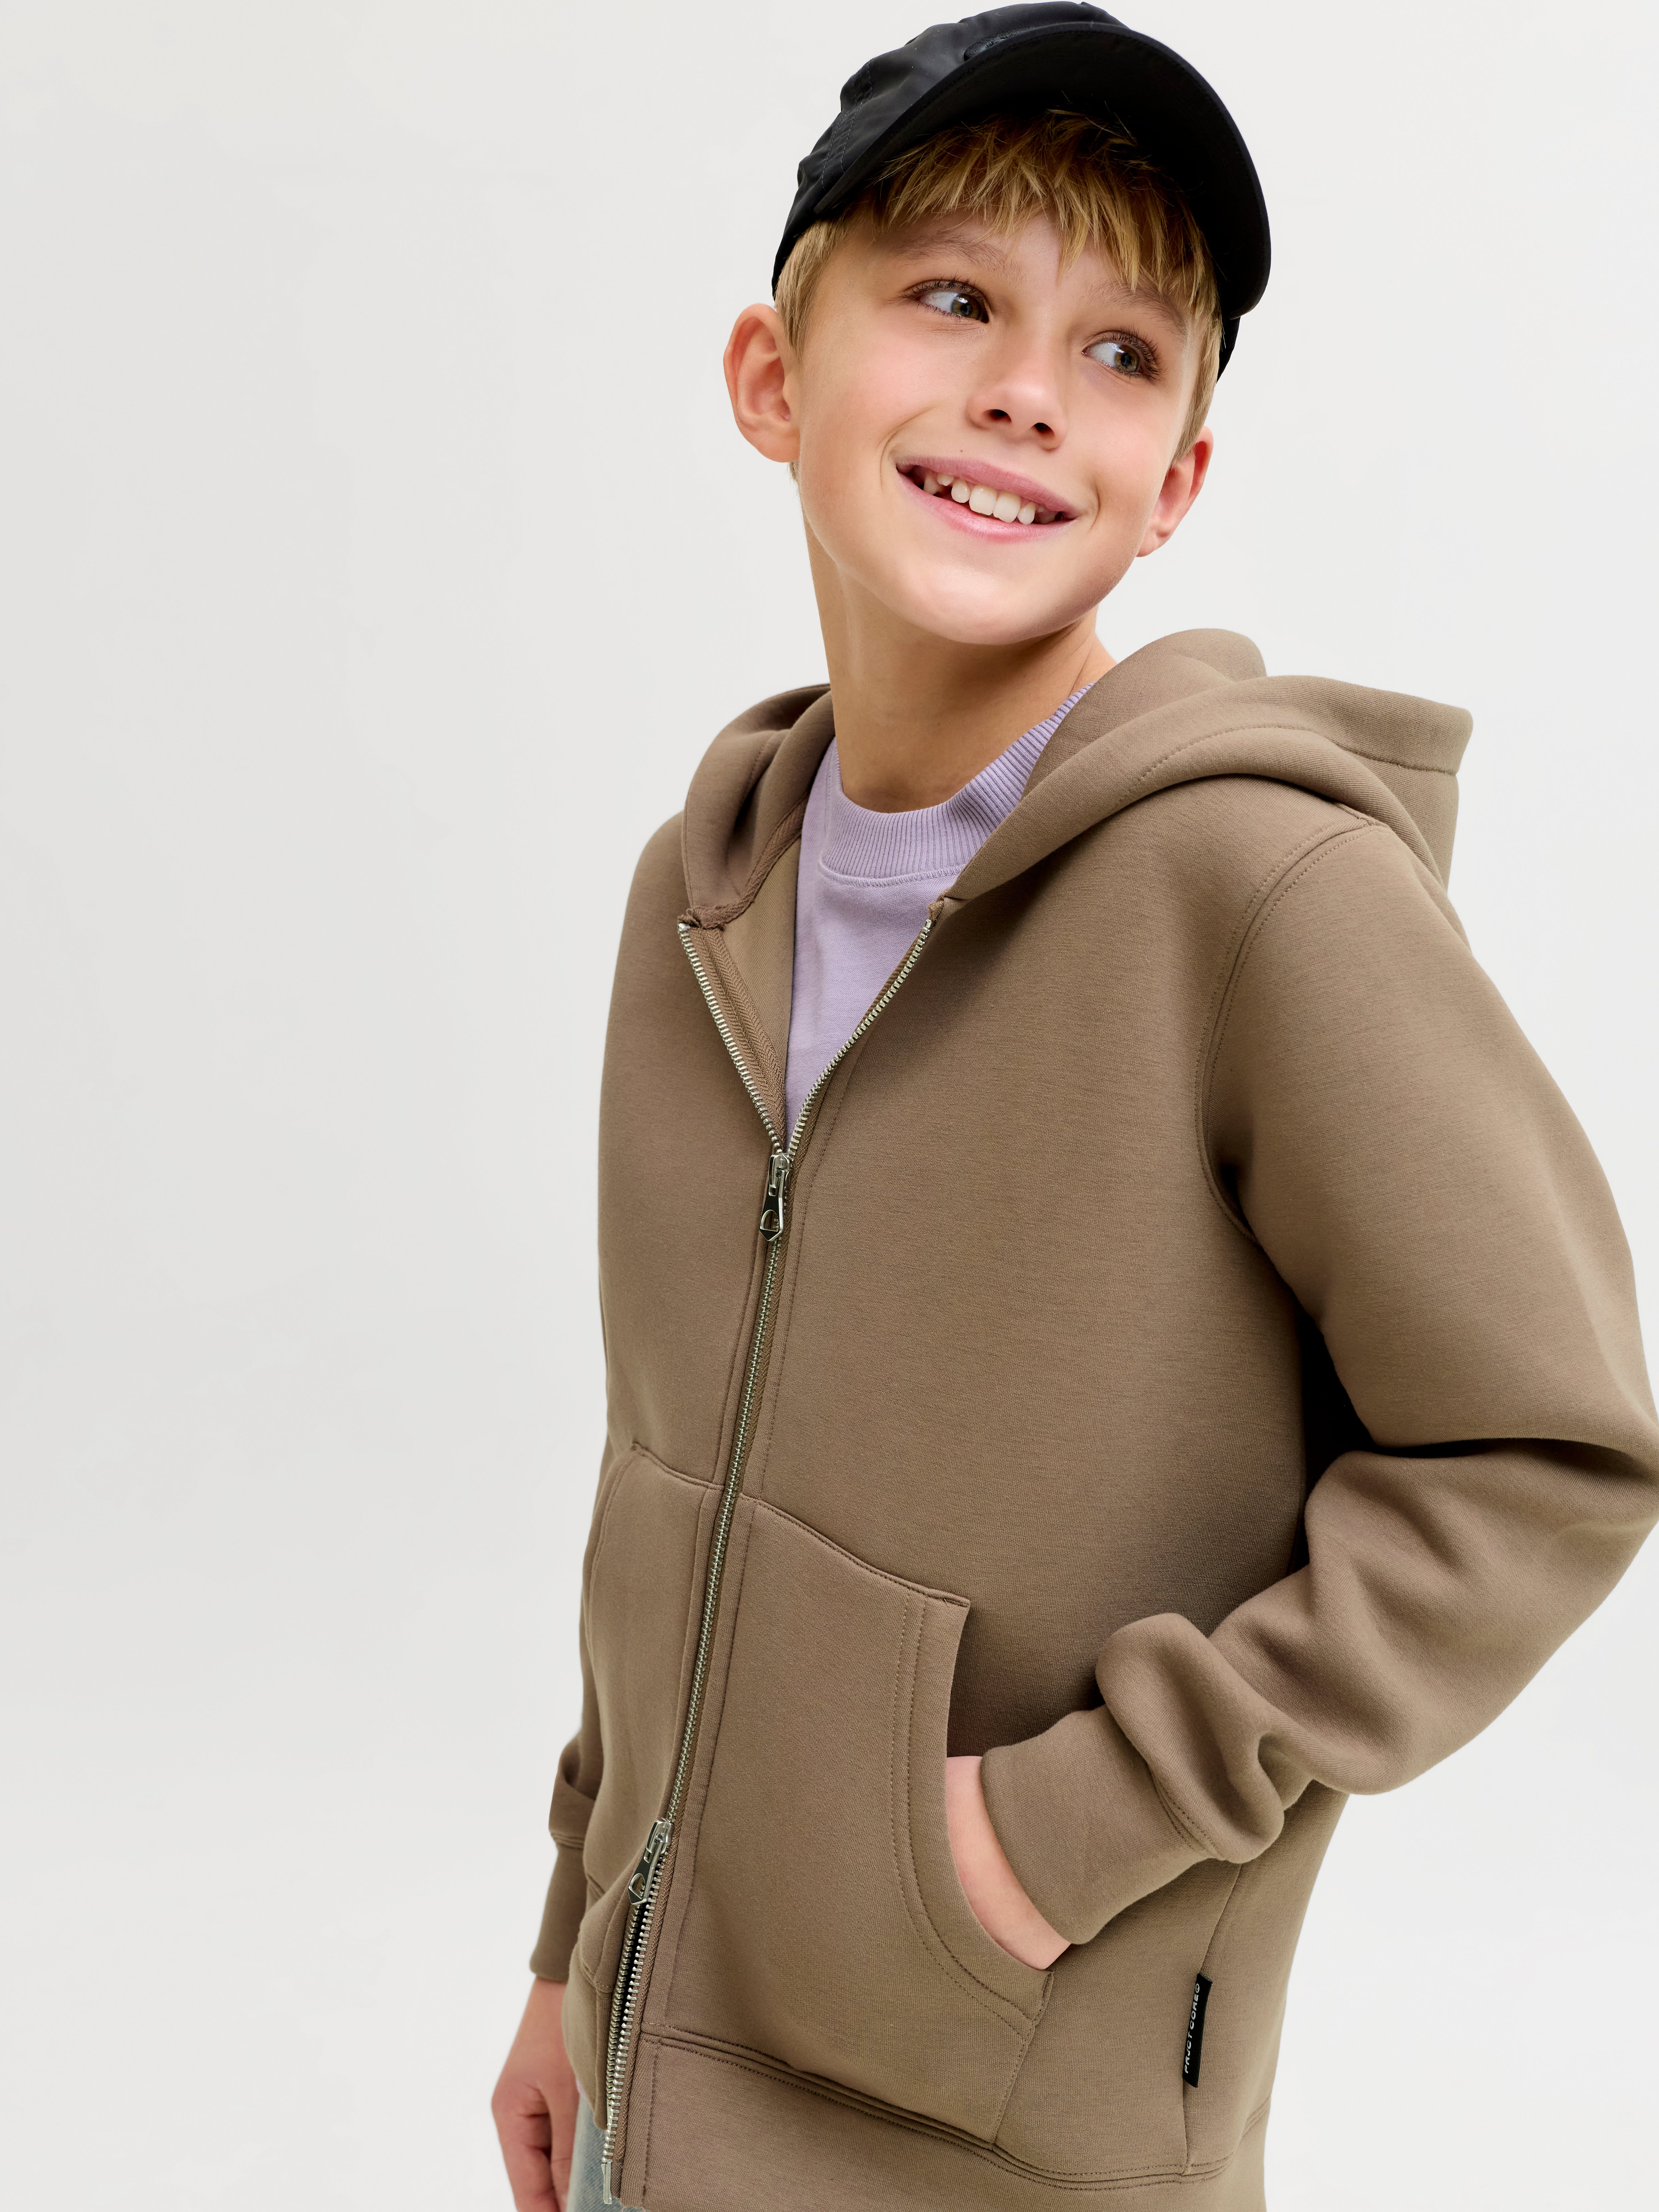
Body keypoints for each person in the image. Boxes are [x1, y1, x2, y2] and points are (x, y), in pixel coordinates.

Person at [491, 9, 1659, 2208]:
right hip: (672, 2085)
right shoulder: (702, 900)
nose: (1030, 389)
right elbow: (674, 1486)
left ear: (1176, 482)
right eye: (953, 300)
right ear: (771, 376)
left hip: (1012, 2128)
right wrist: (576, 1940)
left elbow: (1544, 1454)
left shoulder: (1259, 894)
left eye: (1120, 352)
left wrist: (1054, 1834)